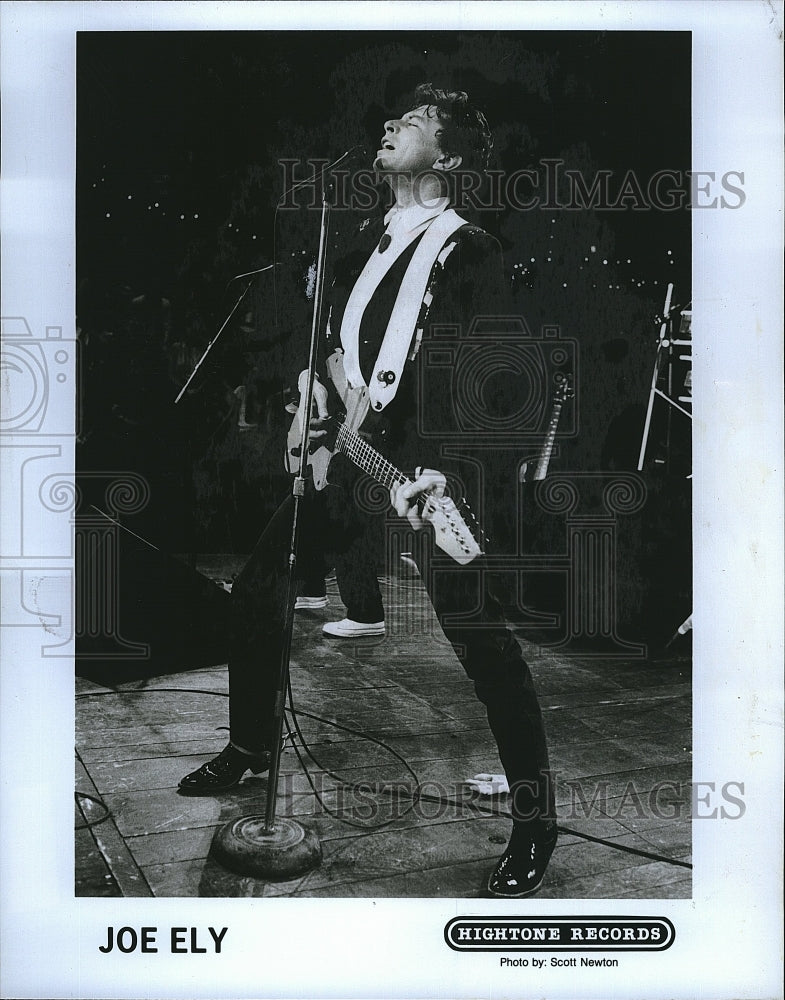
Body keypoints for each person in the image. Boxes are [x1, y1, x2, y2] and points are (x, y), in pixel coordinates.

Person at [179, 84, 557, 898]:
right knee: (255, 593)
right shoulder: (360, 242)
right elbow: (331, 352)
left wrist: (439, 469)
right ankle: (251, 748)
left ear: (446, 160)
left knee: (482, 646)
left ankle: (535, 822)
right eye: (393, 120)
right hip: (347, 456)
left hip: (416, 477)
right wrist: (312, 403)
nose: (390, 125)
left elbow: (495, 383)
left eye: (414, 124)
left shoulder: (471, 252)